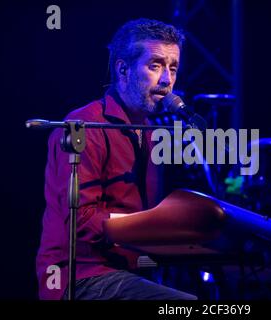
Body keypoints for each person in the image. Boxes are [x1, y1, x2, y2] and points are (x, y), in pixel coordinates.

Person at [36, 18, 197, 300]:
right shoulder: (84, 125)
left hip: (134, 269)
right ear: (123, 69)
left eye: (173, 68)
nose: (167, 80)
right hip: (82, 275)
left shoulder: (152, 132)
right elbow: (81, 221)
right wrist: (152, 226)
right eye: (155, 65)